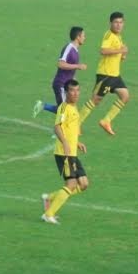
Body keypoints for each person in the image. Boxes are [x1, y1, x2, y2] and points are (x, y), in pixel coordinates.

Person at [41, 79, 89, 224]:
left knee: (84, 184)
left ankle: (50, 198)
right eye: (72, 91)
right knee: (71, 184)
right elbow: (57, 127)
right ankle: (48, 214)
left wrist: (77, 143)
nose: (75, 93)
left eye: (77, 90)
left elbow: (70, 129)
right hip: (64, 153)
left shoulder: (74, 108)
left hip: (72, 152)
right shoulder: (63, 107)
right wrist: (66, 143)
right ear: (66, 92)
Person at [80, 11, 129, 136]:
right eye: (116, 22)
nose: (118, 25)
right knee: (95, 100)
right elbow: (103, 51)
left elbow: (116, 55)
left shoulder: (118, 37)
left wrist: (122, 55)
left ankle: (106, 121)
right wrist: (120, 50)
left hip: (115, 75)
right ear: (110, 23)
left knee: (125, 96)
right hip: (106, 75)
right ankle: (76, 124)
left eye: (121, 22)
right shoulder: (109, 35)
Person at [33, 26, 88, 117]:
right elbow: (60, 64)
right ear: (78, 37)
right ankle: (58, 127)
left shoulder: (75, 51)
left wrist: (74, 81)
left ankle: (42, 106)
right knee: (64, 112)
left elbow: (70, 71)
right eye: (83, 36)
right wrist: (78, 66)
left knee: (65, 110)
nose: (84, 38)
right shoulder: (69, 48)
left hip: (68, 86)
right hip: (61, 84)